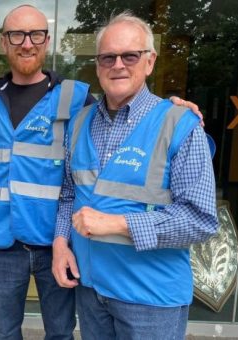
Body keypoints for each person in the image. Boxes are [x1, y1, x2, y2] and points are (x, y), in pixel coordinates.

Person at [0, 5, 204, 339]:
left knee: (60, 331)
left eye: (36, 34)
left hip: (56, 241)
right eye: (16, 35)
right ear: (3, 43)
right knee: (5, 330)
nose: (27, 43)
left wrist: (167, 106)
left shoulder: (77, 98)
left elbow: (125, 116)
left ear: (47, 41)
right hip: (1, 243)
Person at [52, 12, 218, 340]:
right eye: (107, 57)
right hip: (91, 289)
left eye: (130, 55)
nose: (118, 65)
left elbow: (200, 220)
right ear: (98, 64)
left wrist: (117, 224)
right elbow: (70, 192)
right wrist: (60, 243)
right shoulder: (80, 122)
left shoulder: (180, 124)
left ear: (150, 62)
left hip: (150, 299)